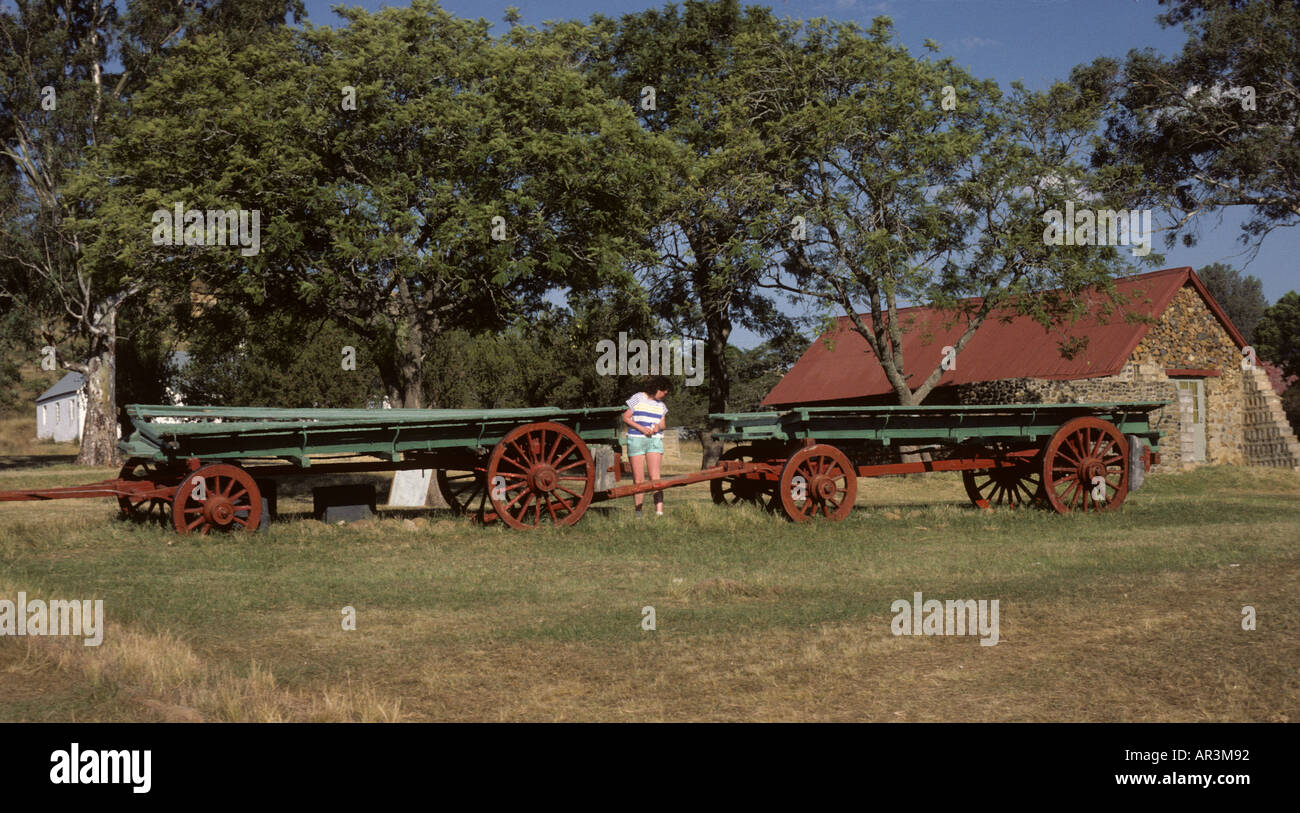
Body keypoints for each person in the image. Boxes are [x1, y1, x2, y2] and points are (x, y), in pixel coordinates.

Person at [623, 376, 671, 517]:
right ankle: (638, 513)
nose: (665, 395)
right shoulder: (638, 398)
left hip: (654, 441)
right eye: (664, 392)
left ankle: (659, 513)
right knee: (638, 480)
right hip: (636, 440)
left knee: (655, 478)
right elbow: (626, 417)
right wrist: (641, 428)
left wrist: (657, 427)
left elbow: (663, 424)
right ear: (658, 389)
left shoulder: (661, 405)